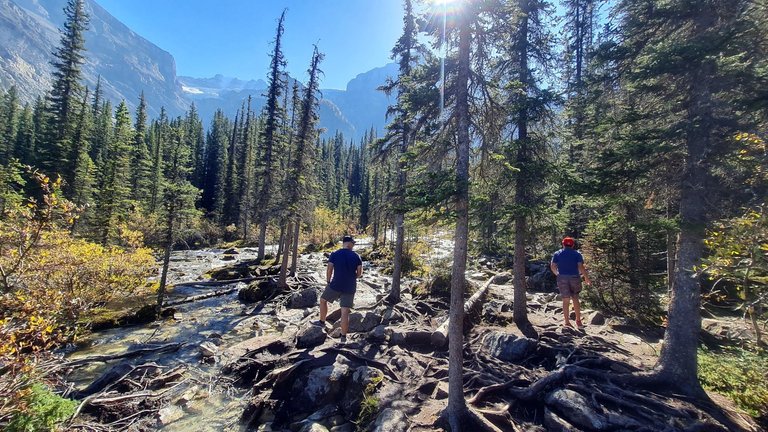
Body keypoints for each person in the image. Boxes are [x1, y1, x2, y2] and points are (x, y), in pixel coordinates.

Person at [313, 235, 363, 344]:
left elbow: (329, 269)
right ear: (348, 243)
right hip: (350, 286)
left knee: (323, 300)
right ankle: (343, 338)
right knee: (345, 312)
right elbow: (359, 273)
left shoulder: (335, 254)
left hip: (335, 284)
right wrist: (352, 277)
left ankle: (322, 322)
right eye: (353, 243)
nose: (353, 245)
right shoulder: (356, 256)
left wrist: (328, 281)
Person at [550, 236, 591, 328]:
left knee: (565, 300)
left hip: (562, 278)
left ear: (563, 244)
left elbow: (553, 266)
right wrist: (586, 278)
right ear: (572, 245)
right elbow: (581, 267)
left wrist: (558, 274)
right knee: (575, 298)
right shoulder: (577, 254)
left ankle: (567, 322)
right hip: (574, 277)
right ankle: (578, 321)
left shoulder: (557, 253)